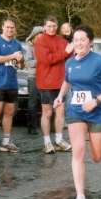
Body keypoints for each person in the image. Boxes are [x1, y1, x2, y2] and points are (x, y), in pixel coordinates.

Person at [54, 25, 101, 199]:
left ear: (91, 42)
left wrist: (96, 100)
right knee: (78, 152)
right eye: (75, 40)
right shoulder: (69, 62)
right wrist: (60, 96)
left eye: (83, 40)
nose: (79, 43)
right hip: (76, 111)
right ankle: (80, 198)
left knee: (96, 157)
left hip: (99, 112)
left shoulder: (100, 62)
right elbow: (68, 80)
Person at [34, 15, 74, 154]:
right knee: (47, 112)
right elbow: (48, 59)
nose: (52, 28)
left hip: (60, 82)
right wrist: (65, 52)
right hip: (45, 83)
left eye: (54, 26)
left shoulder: (61, 40)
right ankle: (47, 142)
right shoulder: (41, 41)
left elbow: (69, 56)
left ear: (57, 26)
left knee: (60, 111)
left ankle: (58, 140)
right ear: (44, 26)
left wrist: (72, 51)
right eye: (49, 26)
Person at [0, 17, 24, 155]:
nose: (10, 29)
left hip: (12, 83)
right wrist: (13, 56)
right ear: (2, 27)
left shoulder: (17, 44)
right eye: (7, 27)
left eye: (12, 27)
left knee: (9, 112)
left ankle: (6, 142)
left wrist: (21, 60)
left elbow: (21, 65)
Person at [25, 26, 44, 135]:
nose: (41, 37)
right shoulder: (30, 48)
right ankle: (31, 127)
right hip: (33, 78)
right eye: (39, 35)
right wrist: (40, 61)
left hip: (44, 78)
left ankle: (45, 125)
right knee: (32, 102)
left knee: (45, 102)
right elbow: (28, 63)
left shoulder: (46, 47)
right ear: (35, 36)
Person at [60, 23, 74, 127]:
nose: (66, 29)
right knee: (67, 96)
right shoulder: (60, 40)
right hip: (65, 71)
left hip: (76, 69)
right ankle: (66, 119)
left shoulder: (75, 39)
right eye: (64, 28)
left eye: (67, 27)